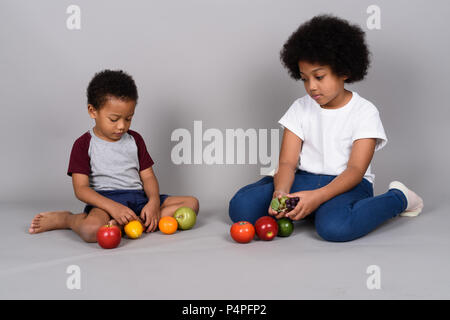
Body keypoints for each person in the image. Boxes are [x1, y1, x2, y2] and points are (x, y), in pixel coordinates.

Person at [228, 14, 423, 242]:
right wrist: (280, 192)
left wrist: (318, 196)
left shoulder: (365, 112)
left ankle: (399, 198)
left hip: (346, 184)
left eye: (319, 76)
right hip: (303, 178)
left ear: (344, 71)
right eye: (304, 79)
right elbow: (288, 163)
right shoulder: (299, 108)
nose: (311, 86)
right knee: (241, 209)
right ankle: (302, 202)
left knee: (335, 228)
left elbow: (355, 170)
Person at [29, 70, 199, 242]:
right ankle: (68, 219)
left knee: (191, 204)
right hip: (105, 203)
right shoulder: (83, 144)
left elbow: (148, 177)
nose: (121, 126)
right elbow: (81, 189)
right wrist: (114, 208)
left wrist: (153, 202)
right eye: (114, 119)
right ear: (92, 111)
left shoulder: (135, 140)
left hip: (139, 200)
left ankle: (132, 222)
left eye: (128, 118)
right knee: (90, 230)